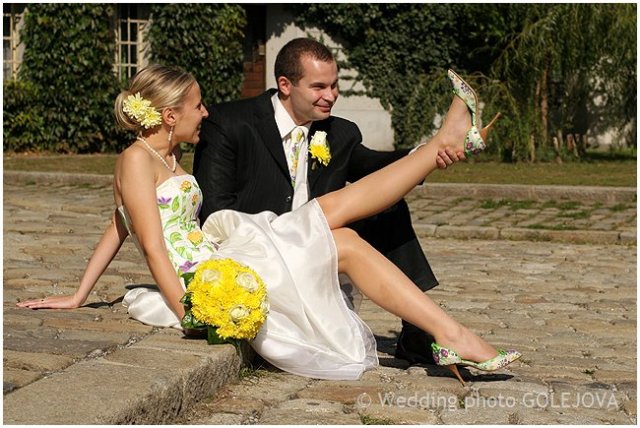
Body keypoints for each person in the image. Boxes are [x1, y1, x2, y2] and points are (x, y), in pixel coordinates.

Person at [18, 64, 517, 385]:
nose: (205, 113)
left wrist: (80, 293)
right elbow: (148, 243)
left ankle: (441, 150)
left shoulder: (165, 158)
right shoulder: (135, 159)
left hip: (217, 256)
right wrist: (187, 310)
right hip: (202, 279)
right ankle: (452, 330)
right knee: (338, 230)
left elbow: (116, 224)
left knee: (335, 220)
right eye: (197, 106)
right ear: (169, 115)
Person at [193, 38, 461, 365]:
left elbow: (377, 167)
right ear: (285, 85)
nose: (331, 95)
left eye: (335, 85)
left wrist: (427, 156)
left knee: (388, 208)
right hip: (259, 251)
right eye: (319, 87)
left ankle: (417, 331)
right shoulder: (230, 122)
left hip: (313, 246)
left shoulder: (340, 132)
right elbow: (216, 210)